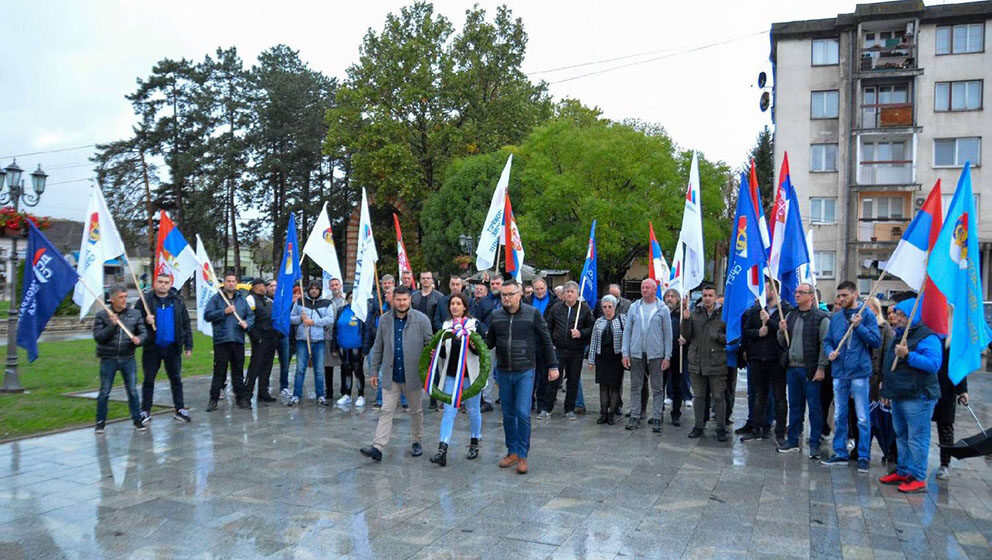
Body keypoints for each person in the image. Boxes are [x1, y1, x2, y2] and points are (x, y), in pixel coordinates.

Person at [485, 279, 559, 474]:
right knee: (508, 414)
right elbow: (488, 342)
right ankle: (512, 451)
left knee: (523, 413)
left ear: (520, 295)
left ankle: (523, 455)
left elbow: (545, 340)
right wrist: (470, 342)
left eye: (510, 294)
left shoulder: (532, 313)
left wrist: (553, 365)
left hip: (525, 370)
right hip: (503, 371)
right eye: (503, 295)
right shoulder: (496, 315)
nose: (506, 298)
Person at [361, 286, 434, 462]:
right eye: (398, 300)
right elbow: (378, 346)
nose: (402, 303)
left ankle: (417, 441)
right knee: (386, 411)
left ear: (410, 300)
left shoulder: (422, 320)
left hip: (413, 375)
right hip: (391, 373)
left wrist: (429, 368)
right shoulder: (385, 320)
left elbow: (430, 345)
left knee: (416, 411)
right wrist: (373, 371)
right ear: (392, 300)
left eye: (405, 299)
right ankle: (378, 447)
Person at [879, 297, 942, 493]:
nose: (896, 318)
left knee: (917, 437)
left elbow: (933, 365)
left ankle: (919, 476)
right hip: (900, 394)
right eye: (897, 314)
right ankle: (904, 471)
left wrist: (909, 355)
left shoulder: (927, 337)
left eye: (901, 314)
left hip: (918, 396)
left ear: (913, 316)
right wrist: (886, 390)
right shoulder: (900, 334)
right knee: (902, 436)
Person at [821, 281, 880, 472]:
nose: (840, 299)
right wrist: (830, 352)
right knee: (839, 414)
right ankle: (840, 452)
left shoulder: (866, 315)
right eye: (839, 296)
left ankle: (863, 455)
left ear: (854, 295)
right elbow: (828, 341)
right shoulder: (836, 318)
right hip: (839, 371)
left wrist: (859, 327)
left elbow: (876, 341)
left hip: (859, 372)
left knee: (862, 417)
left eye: (844, 295)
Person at [429, 293, 486, 466]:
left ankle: (474, 443)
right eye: (452, 303)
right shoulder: (446, 326)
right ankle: (442, 449)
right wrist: (437, 352)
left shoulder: (474, 325)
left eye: (458, 303)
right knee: (448, 412)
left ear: (465, 307)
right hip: (452, 375)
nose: (454, 306)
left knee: (473, 410)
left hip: (471, 376)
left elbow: (480, 351)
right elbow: (445, 353)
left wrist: (473, 345)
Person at [775, 283, 829, 459]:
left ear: (811, 296)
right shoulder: (791, 315)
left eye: (801, 292)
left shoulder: (821, 318)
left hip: (810, 369)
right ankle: (792, 440)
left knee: (814, 408)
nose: (797, 295)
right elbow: (783, 343)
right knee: (795, 407)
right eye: (796, 292)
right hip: (793, 368)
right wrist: (781, 331)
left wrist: (821, 368)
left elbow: (825, 345)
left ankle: (814, 444)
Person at [137, 272, 193, 425]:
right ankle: (145, 411)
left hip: (172, 348)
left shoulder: (178, 301)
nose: (162, 284)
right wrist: (144, 319)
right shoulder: (145, 300)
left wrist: (188, 345)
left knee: (176, 379)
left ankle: (180, 409)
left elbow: (186, 324)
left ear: (170, 284)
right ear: (155, 282)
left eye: (166, 282)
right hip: (152, 347)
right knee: (149, 380)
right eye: (160, 281)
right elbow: (134, 321)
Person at [93, 286, 148, 433]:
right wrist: (112, 324)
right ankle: (100, 422)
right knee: (105, 391)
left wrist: (139, 339)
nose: (124, 300)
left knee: (132, 390)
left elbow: (143, 332)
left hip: (127, 357)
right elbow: (99, 337)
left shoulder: (135, 314)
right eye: (121, 297)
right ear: (112, 299)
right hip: (108, 358)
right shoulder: (102, 315)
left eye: (125, 296)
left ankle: (137, 420)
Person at [621, 279, 672, 432]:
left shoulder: (662, 309)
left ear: (654, 289)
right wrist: (625, 353)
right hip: (637, 353)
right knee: (636, 386)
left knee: (657, 387)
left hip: (656, 354)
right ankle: (635, 416)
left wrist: (667, 356)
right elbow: (627, 331)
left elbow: (667, 334)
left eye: (647, 287)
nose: (644, 290)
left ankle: (657, 417)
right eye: (642, 287)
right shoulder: (634, 307)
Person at [739, 281, 786, 442]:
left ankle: (775, 430)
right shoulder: (756, 311)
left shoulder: (785, 310)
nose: (762, 293)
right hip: (758, 358)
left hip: (776, 359)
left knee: (778, 397)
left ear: (774, 291)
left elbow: (785, 332)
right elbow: (746, 331)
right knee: (759, 394)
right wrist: (758, 332)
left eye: (765, 289)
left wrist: (770, 322)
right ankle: (756, 428)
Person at [542, 281, 594, 420]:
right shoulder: (556, 308)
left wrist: (581, 333)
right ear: (563, 294)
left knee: (573, 380)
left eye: (572, 292)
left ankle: (569, 408)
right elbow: (548, 327)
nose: (569, 294)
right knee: (553, 378)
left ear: (577, 294)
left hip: (576, 350)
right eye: (567, 292)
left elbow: (591, 327)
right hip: (558, 349)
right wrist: (551, 344)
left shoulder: (584, 309)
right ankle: (547, 408)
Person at [682, 283, 727, 441]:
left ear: (715, 297)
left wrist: (719, 336)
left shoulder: (723, 314)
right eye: (705, 295)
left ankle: (721, 427)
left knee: (718, 396)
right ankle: (698, 425)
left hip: (717, 361)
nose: (707, 298)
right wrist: (686, 320)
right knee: (699, 396)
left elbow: (732, 337)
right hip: (697, 362)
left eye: (710, 295)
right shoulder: (695, 313)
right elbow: (687, 336)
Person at [203, 272, 254, 412]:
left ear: (236, 283)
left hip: (237, 340)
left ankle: (241, 399)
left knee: (238, 371)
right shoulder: (216, 299)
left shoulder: (241, 300)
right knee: (219, 371)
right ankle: (213, 399)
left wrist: (246, 323)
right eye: (228, 281)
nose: (231, 283)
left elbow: (250, 316)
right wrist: (223, 312)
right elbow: (207, 315)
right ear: (224, 283)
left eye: (233, 281)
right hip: (222, 340)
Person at [288, 279, 335, 406]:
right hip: (302, 340)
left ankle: (320, 395)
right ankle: (296, 395)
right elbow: (291, 318)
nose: (314, 290)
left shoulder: (327, 303)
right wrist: (300, 319)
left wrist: (313, 322)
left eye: (316, 288)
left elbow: (330, 319)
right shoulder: (300, 302)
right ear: (308, 290)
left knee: (319, 370)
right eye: (312, 288)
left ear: (319, 290)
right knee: (300, 369)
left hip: (319, 340)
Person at [868, 298, 897, 469]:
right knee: (869, 417)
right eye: (891, 312)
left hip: (878, 380)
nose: (892, 315)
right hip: (866, 379)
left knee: (885, 418)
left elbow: (887, 357)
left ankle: (890, 450)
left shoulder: (884, 329)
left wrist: (884, 382)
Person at [588, 295, 625, 425]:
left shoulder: (622, 319)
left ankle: (612, 413)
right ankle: (603, 412)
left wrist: (626, 356)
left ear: (614, 307)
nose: (607, 309)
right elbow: (593, 341)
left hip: (616, 357)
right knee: (603, 386)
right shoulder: (598, 321)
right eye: (604, 307)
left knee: (615, 386)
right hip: (602, 357)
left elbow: (626, 339)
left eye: (610, 307)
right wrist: (591, 360)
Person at [524, 277, 557, 412]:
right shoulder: (526, 301)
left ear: (546, 288)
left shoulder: (555, 302)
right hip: (530, 343)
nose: (539, 291)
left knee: (544, 376)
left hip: (547, 342)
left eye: (542, 288)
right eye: (536, 289)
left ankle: (542, 403)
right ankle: (529, 401)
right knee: (530, 375)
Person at [245, 278, 278, 404]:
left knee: (267, 366)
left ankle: (263, 393)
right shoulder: (250, 299)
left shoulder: (267, 300)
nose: (267, 287)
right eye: (265, 285)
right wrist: (255, 336)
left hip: (270, 337)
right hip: (259, 338)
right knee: (255, 367)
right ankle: (247, 395)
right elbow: (247, 319)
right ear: (257, 286)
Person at [333, 292, 367, 408]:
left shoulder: (361, 311)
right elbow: (335, 328)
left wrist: (365, 348)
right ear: (347, 299)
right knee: (345, 370)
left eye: (354, 297)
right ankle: (346, 394)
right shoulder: (341, 310)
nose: (352, 299)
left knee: (358, 370)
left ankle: (361, 395)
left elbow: (366, 329)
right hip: (343, 346)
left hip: (357, 346)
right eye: (350, 297)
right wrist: (334, 346)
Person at [662, 288, 685, 426]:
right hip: (662, 355)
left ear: (678, 299)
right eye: (668, 296)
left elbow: (691, 333)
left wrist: (685, 338)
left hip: (678, 355)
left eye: (673, 296)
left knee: (678, 386)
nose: (670, 298)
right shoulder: (660, 313)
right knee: (660, 386)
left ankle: (676, 413)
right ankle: (658, 412)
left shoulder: (682, 315)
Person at [323, 277, 347, 401]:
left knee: (344, 364)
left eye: (336, 284)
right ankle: (329, 391)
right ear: (329, 287)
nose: (335, 287)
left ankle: (344, 390)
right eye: (332, 285)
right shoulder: (326, 301)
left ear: (340, 285)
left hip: (343, 336)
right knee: (328, 365)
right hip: (329, 336)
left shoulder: (346, 301)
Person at [269, 280, 294, 398]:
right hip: (269, 336)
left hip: (283, 335)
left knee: (285, 362)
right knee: (267, 362)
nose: (274, 288)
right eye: (271, 286)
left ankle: (284, 386)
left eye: (276, 286)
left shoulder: (284, 300)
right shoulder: (265, 301)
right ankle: (264, 385)